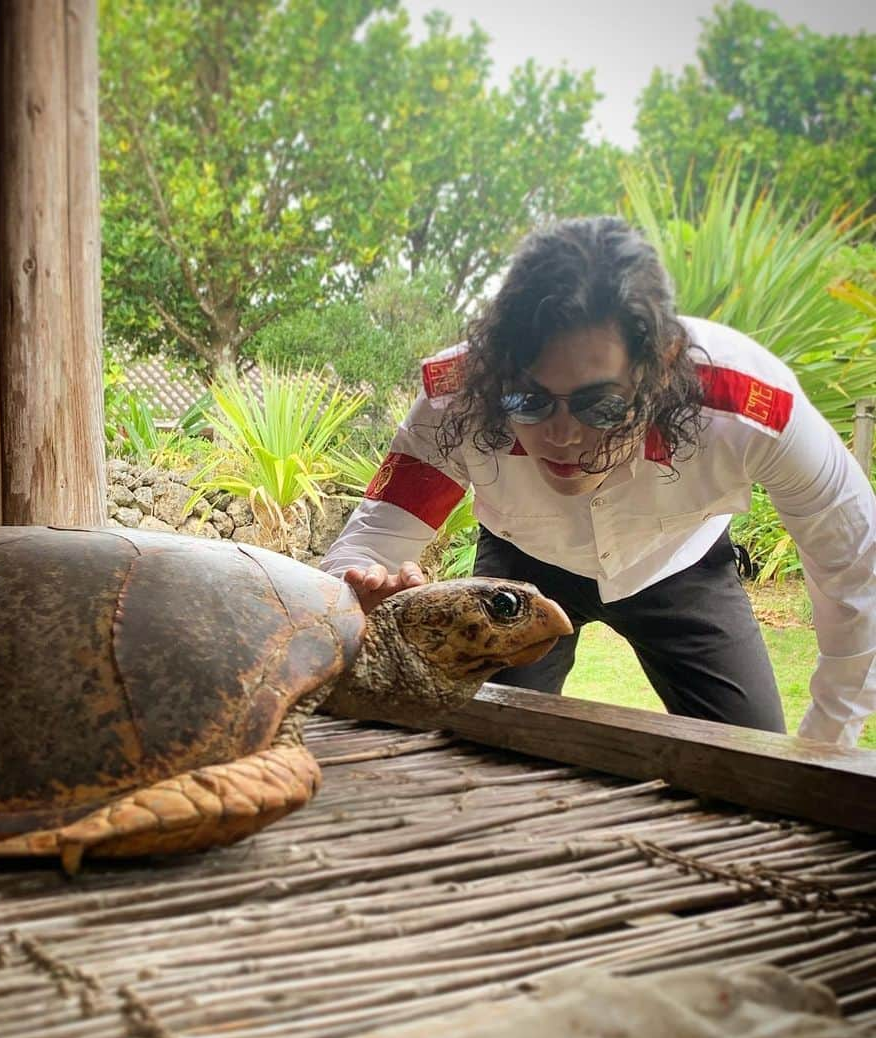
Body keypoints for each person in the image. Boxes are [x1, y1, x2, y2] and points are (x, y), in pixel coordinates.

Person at [321, 216, 876, 748]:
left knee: (755, 763)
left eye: (602, 405)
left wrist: (823, 755)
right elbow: (370, 543)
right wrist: (361, 601)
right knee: (484, 750)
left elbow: (858, 573)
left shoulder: (753, 409)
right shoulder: (458, 395)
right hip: (521, 570)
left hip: (680, 565)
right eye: (529, 400)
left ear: (662, 365)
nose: (563, 436)